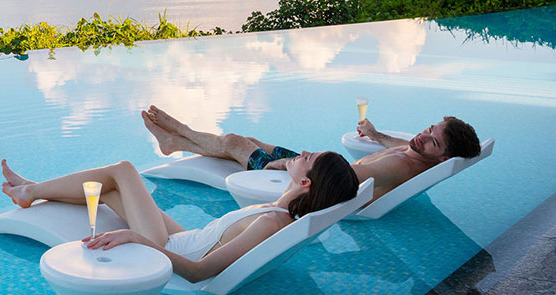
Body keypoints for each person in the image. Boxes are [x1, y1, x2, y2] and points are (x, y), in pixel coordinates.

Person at [0, 151, 358, 283]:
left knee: (123, 170)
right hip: (190, 238)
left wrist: (136, 238)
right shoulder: (282, 210)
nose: (302, 152)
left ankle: (30, 191)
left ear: (306, 182)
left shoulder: (271, 222)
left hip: (168, 249)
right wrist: (286, 168)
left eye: (309, 158)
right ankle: (32, 188)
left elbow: (199, 273)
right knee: (109, 191)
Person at [141, 106, 481, 202]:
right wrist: (376, 135)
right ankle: (177, 144)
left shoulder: (397, 168)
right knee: (250, 140)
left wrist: (289, 168)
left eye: (432, 141)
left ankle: (180, 132)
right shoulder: (414, 155)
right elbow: (401, 146)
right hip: (319, 166)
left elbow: (337, 182)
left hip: (307, 179)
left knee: (233, 142)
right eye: (429, 129)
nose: (421, 137)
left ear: (442, 158)